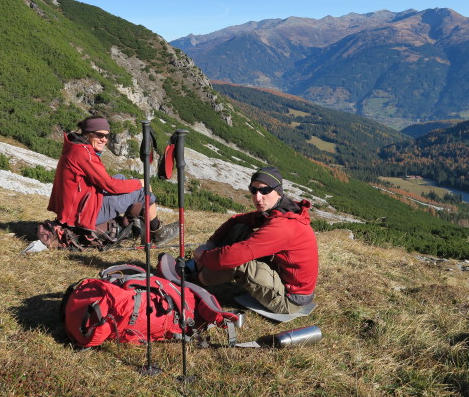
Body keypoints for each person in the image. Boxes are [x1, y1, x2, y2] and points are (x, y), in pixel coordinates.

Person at [191, 166, 318, 314]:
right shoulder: (279, 210)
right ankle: (202, 267)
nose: (258, 197)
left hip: (289, 299)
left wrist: (203, 256)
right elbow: (236, 220)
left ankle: (196, 281)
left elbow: (233, 256)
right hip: (281, 276)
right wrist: (210, 244)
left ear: (278, 192)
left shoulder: (283, 226)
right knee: (240, 229)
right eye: (253, 190)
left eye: (265, 191)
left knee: (237, 261)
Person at [48, 115, 178, 244]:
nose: (104, 139)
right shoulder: (84, 154)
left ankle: (133, 224)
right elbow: (110, 185)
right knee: (143, 193)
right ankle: (159, 233)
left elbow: (106, 182)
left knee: (120, 177)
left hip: (77, 205)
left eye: (106, 136)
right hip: (81, 214)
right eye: (99, 135)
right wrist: (139, 183)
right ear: (88, 134)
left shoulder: (76, 147)